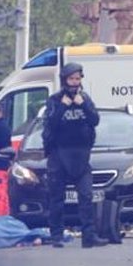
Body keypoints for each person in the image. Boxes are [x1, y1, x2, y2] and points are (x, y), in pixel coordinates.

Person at [42, 62, 105, 248]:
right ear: (64, 80)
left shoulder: (85, 98)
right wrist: (63, 107)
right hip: (59, 155)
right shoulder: (54, 100)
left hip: (81, 155)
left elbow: (95, 120)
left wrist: (83, 105)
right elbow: (50, 124)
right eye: (71, 79)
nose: (75, 82)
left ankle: (89, 236)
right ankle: (56, 236)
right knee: (57, 198)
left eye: (78, 79)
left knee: (86, 196)